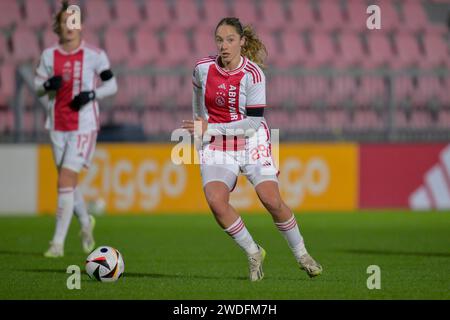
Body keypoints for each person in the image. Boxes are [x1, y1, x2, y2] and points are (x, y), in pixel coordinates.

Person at [182, 17, 322, 281]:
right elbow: (197, 96)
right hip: (218, 142)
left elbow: (252, 123)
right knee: (215, 201)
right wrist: (201, 129)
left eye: (230, 40)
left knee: (271, 199)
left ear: (242, 42)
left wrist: (208, 129)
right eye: (220, 40)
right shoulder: (202, 68)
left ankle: (302, 253)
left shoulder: (254, 74)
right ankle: (253, 251)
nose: (224, 46)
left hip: (252, 139)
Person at [34, 1, 118, 257]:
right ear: (58, 27)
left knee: (65, 180)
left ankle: (57, 243)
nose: (69, 26)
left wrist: (92, 94)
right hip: (57, 124)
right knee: (68, 183)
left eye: (73, 21)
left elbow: (112, 85)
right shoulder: (49, 56)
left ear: (80, 25)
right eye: (64, 22)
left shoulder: (95, 54)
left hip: (84, 126)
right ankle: (85, 221)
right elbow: (38, 87)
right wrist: (48, 84)